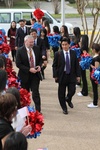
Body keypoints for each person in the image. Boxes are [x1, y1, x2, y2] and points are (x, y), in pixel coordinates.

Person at [52, 38, 80, 114]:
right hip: (62, 75)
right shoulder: (58, 54)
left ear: (69, 45)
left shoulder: (73, 53)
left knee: (72, 90)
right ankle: (64, 108)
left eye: (66, 45)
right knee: (61, 93)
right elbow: (54, 65)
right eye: (63, 45)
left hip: (71, 74)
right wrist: (55, 75)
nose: (64, 46)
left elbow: (76, 65)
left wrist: (78, 75)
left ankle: (68, 99)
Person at [16, 35, 42, 112]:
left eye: (33, 42)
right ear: (25, 42)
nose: (32, 44)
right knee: (25, 94)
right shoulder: (20, 51)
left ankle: (38, 110)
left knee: (35, 92)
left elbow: (40, 60)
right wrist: (29, 69)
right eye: (30, 42)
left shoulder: (36, 49)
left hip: (35, 75)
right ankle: (25, 110)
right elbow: (18, 64)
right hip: (25, 75)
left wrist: (39, 66)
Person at [87, 43, 100, 108]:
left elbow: (96, 68)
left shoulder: (97, 58)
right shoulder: (95, 56)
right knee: (94, 88)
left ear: (94, 50)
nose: (92, 50)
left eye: (92, 49)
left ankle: (95, 103)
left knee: (95, 89)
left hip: (94, 75)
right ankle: (94, 102)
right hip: (92, 74)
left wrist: (91, 65)